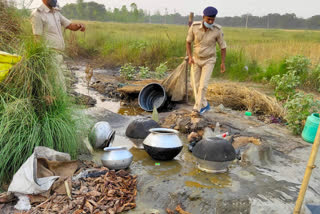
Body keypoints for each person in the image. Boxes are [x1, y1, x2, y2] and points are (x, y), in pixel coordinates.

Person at [31, 0, 86, 90]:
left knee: (57, 86)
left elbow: (70, 25)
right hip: (49, 56)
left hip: (58, 55)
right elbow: (37, 38)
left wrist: (79, 26)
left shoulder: (55, 12)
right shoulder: (37, 14)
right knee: (59, 87)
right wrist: (40, 62)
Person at [186, 6, 227, 116]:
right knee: (194, 84)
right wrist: (190, 57)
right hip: (196, 60)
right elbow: (188, 42)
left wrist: (223, 63)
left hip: (209, 60)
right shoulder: (194, 27)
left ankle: (197, 108)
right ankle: (205, 104)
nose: (210, 21)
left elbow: (223, 47)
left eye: (212, 20)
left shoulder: (217, 30)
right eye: (208, 19)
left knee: (203, 86)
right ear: (203, 17)